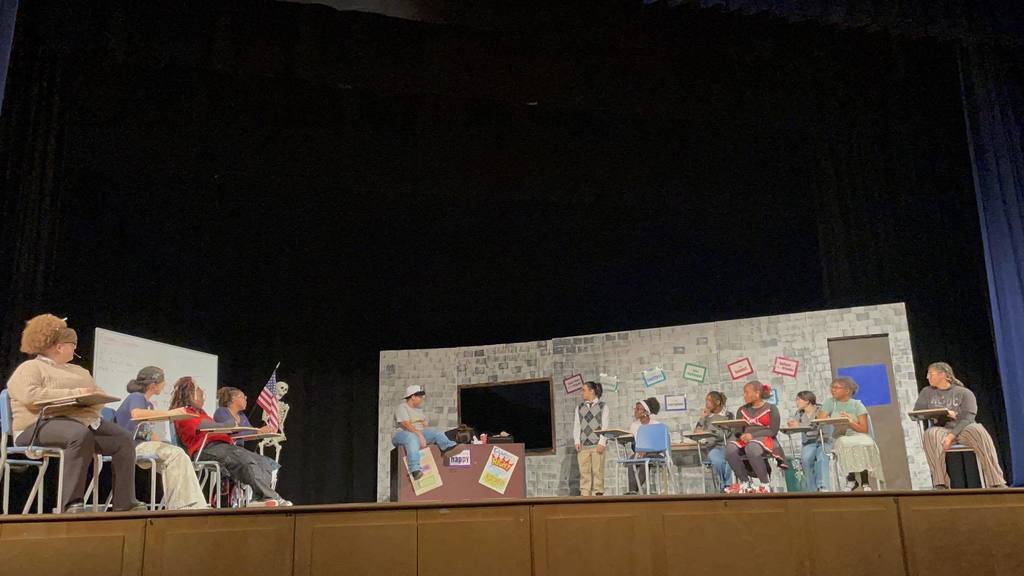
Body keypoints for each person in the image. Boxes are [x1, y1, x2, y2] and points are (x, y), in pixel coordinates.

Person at [6, 314, 144, 513]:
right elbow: (30, 396)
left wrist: (89, 401)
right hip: (36, 425)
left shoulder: (80, 371)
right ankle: (71, 503)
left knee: (122, 438)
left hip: (80, 423)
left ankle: (125, 503)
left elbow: (98, 396)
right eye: (72, 344)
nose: (75, 349)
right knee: (78, 435)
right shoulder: (30, 368)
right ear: (59, 346)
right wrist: (74, 395)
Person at [169, 377, 291, 507]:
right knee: (243, 459)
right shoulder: (184, 413)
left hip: (223, 447)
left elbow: (220, 427)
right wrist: (227, 424)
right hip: (205, 449)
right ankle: (271, 496)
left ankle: (258, 498)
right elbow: (208, 426)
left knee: (264, 462)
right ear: (191, 396)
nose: (203, 397)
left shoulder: (201, 412)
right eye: (200, 394)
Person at [113, 366, 210, 509]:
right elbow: (136, 415)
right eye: (163, 382)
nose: (165, 385)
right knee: (176, 454)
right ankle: (181, 505)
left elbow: (149, 433)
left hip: (142, 445)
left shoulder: (149, 404)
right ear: (153, 385)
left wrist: (164, 444)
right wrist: (170, 413)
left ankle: (193, 504)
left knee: (178, 455)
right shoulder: (137, 397)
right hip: (131, 445)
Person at [914, 362, 1007, 489]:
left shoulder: (964, 393)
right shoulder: (927, 392)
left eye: (931, 374)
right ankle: (940, 483)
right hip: (942, 429)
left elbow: (968, 417)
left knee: (978, 430)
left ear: (944, 375)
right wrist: (943, 413)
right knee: (930, 434)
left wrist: (951, 436)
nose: (927, 377)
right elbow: (918, 413)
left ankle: (996, 481)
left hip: (964, 428)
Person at [819, 376, 884, 491]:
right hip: (839, 436)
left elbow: (864, 429)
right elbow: (821, 420)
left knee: (862, 443)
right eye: (832, 387)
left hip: (857, 434)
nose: (833, 390)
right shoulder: (830, 403)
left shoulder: (857, 405)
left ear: (847, 390)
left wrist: (850, 422)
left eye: (836, 387)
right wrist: (835, 418)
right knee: (844, 443)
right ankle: (851, 479)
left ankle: (865, 481)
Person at [392, 384, 465, 480]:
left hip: (417, 433)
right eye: (420, 396)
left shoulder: (419, 410)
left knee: (435, 431)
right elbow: (406, 424)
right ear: (413, 397)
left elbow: (425, 426)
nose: (422, 398)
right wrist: (420, 436)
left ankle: (448, 448)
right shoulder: (402, 407)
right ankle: (415, 470)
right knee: (412, 438)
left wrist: (430, 435)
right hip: (402, 434)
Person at [724, 380, 785, 494]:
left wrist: (752, 435)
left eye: (746, 392)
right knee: (730, 449)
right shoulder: (742, 410)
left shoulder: (771, 408)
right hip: (745, 439)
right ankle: (745, 483)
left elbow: (773, 430)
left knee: (751, 447)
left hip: (765, 437)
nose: (744, 395)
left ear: (757, 393)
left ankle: (765, 484)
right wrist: (741, 435)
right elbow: (738, 431)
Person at [787, 390, 830, 492]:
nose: (796, 402)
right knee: (805, 459)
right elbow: (795, 424)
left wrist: (800, 425)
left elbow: (818, 425)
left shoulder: (821, 410)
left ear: (807, 401)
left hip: (823, 441)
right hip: (809, 442)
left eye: (798, 400)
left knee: (822, 457)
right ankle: (812, 489)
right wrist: (791, 424)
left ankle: (823, 487)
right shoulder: (799, 413)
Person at [573, 381, 609, 496]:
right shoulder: (579, 407)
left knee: (597, 471)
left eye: (584, 390)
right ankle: (585, 495)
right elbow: (577, 425)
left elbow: (605, 426)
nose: (582, 392)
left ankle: (598, 494)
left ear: (591, 391)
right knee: (584, 473)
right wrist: (577, 441)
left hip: (597, 444)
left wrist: (602, 442)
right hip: (584, 445)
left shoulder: (603, 406)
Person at [693, 391, 733, 492]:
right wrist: (702, 418)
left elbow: (724, 433)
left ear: (718, 402)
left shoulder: (728, 415)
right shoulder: (706, 417)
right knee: (717, 460)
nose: (706, 403)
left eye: (709, 400)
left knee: (730, 460)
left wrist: (707, 431)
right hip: (713, 448)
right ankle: (724, 486)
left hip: (728, 446)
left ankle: (727, 486)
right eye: (706, 400)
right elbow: (696, 432)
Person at [626, 397, 661, 494]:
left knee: (644, 461)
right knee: (631, 461)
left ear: (645, 411)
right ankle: (632, 490)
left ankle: (634, 489)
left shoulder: (656, 424)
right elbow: (633, 442)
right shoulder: (634, 425)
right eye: (635, 408)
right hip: (639, 452)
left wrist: (646, 450)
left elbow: (658, 443)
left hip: (653, 453)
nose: (635, 411)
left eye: (638, 409)